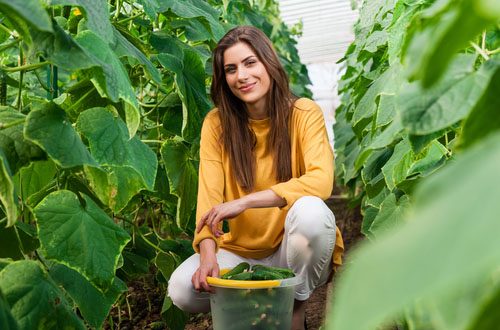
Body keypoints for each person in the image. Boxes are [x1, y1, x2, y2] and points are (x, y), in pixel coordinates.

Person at [168, 25, 344, 330]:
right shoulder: (216, 123)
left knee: (312, 212)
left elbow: (321, 181)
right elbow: (208, 197)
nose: (242, 76)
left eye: (250, 63)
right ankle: (258, 309)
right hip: (237, 253)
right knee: (182, 290)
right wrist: (208, 253)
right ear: (224, 79)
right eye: (231, 69)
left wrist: (245, 203)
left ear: (269, 63)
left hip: (291, 250)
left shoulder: (304, 113)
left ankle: (294, 311)